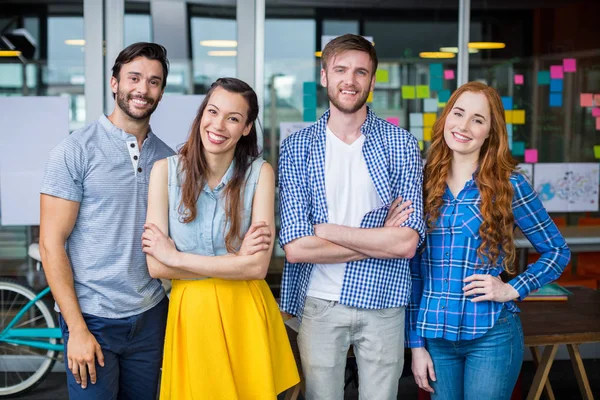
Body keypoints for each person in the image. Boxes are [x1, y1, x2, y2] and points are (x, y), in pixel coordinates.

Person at [278, 33, 424, 399]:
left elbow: (407, 243)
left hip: (385, 301)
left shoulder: (401, 144)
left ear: (372, 82)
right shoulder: (298, 147)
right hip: (320, 302)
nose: (350, 80)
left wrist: (326, 230)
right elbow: (296, 248)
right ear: (324, 75)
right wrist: (379, 240)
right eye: (340, 69)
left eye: (361, 72)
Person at [407, 81, 571, 400]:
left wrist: (512, 288)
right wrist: (415, 345)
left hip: (491, 335)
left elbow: (557, 251)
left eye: (478, 120)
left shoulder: (508, 185)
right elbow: (413, 272)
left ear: (489, 132)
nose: (464, 126)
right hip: (436, 338)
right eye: (459, 113)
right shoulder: (421, 183)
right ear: (446, 119)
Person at [141, 77, 300, 399]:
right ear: (201, 115)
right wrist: (234, 261)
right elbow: (155, 267)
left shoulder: (261, 173)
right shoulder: (164, 172)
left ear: (246, 128)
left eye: (233, 118)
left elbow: (256, 269)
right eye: (213, 112)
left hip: (246, 314)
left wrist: (175, 258)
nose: (219, 125)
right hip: (193, 315)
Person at [39, 42, 174, 399]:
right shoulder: (75, 150)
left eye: (154, 81)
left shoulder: (169, 159)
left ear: (161, 91)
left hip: (150, 315)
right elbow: (51, 244)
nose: (143, 89)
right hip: (93, 319)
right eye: (134, 77)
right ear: (114, 83)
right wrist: (77, 328)